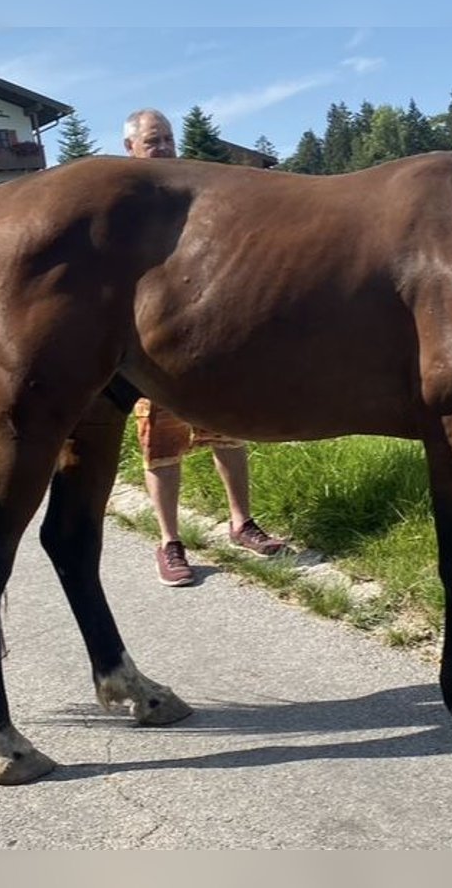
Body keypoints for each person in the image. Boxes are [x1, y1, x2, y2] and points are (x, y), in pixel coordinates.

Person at [123, 108, 286, 586]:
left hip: (209, 339)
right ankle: (170, 541)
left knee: (228, 434)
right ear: (130, 147)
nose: (165, 148)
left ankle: (241, 523)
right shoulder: (126, 200)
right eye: (154, 140)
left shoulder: (190, 191)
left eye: (168, 138)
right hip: (155, 343)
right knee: (161, 446)